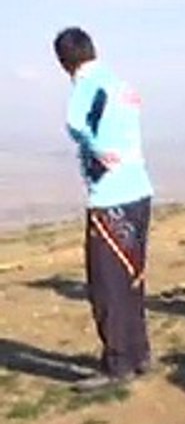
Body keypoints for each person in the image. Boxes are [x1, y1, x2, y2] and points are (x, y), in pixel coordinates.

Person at [55, 27, 155, 391]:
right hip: (139, 191)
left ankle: (118, 363)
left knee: (106, 284)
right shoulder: (121, 84)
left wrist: (97, 150)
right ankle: (138, 351)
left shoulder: (87, 84)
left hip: (110, 197)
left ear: (65, 62)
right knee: (131, 277)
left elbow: (74, 122)